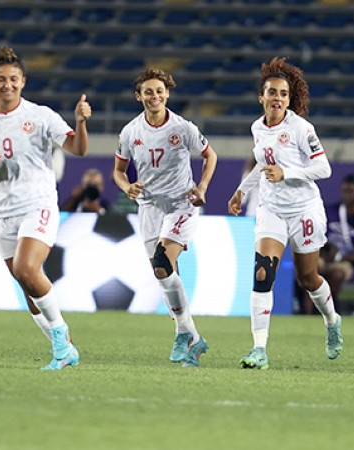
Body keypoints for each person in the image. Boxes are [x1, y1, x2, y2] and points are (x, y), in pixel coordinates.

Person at [0, 47, 91, 370]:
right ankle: (63, 349)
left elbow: (78, 149)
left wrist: (80, 122)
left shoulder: (41, 116)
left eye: (13, 79)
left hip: (38, 204)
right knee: (26, 281)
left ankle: (62, 339)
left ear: (24, 81)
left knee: (26, 269)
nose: (7, 85)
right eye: (1, 80)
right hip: (1, 211)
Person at [228, 57, 342, 370]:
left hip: (304, 208)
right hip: (272, 209)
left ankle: (332, 320)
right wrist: (242, 191)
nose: (277, 98)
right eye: (272, 92)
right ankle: (259, 349)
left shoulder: (302, 129)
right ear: (261, 97)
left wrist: (287, 172)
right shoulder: (257, 128)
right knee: (263, 272)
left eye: (283, 94)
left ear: (289, 100)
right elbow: (263, 166)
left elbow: (324, 168)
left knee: (308, 278)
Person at [112, 67, 217, 367]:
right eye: (148, 91)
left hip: (180, 204)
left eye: (159, 91)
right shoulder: (130, 131)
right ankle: (192, 336)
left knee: (162, 264)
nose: (154, 96)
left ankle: (184, 333)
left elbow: (210, 155)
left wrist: (202, 186)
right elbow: (118, 171)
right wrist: (127, 186)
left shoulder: (182, 128)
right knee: (165, 276)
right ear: (139, 96)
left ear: (167, 93)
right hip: (149, 208)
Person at [314, 173, 354, 313]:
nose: (347, 195)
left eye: (351, 191)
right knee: (311, 268)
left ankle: (328, 308)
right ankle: (308, 311)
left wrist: (341, 257)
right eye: (344, 191)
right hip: (324, 256)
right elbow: (318, 235)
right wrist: (326, 250)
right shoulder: (330, 211)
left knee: (337, 274)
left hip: (345, 261)